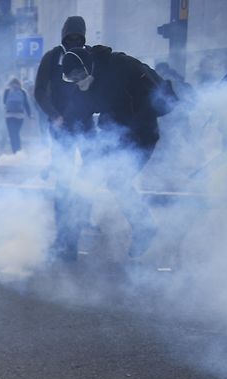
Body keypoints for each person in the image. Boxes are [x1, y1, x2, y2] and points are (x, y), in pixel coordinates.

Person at [59, 43, 172, 258]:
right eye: (72, 78)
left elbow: (153, 96)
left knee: (117, 181)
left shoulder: (123, 67)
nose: (78, 80)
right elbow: (77, 121)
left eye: (80, 74)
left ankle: (145, 227)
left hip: (142, 134)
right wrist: (83, 153)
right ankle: (67, 242)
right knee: (83, 181)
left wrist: (129, 128)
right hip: (112, 137)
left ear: (89, 65)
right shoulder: (81, 89)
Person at [34, 16, 96, 261]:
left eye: (77, 37)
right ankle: (64, 239)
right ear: (63, 36)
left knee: (88, 181)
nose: (73, 41)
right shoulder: (52, 57)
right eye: (70, 37)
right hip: (62, 126)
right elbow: (39, 90)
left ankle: (76, 229)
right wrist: (54, 115)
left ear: (83, 37)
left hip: (86, 126)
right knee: (64, 182)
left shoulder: (90, 55)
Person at [2, 78, 32, 153]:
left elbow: (4, 102)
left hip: (9, 115)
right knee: (16, 133)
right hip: (20, 116)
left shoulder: (7, 91)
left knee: (12, 134)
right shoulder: (23, 91)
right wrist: (29, 114)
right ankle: (18, 149)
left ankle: (15, 151)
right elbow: (26, 104)